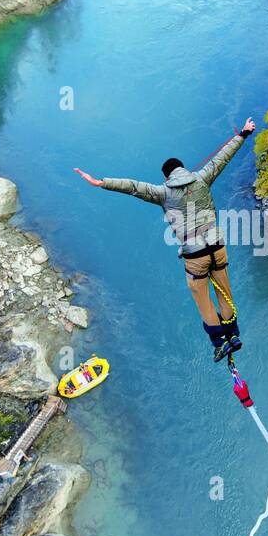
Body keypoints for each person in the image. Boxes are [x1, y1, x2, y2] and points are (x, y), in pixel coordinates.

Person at [74, 119, 256, 362]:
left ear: (166, 176)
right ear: (182, 169)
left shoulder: (163, 193)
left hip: (195, 255)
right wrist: (243, 134)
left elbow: (133, 187)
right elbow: (223, 157)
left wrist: (101, 183)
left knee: (203, 299)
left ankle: (220, 342)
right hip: (217, 246)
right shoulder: (202, 178)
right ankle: (233, 335)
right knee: (224, 290)